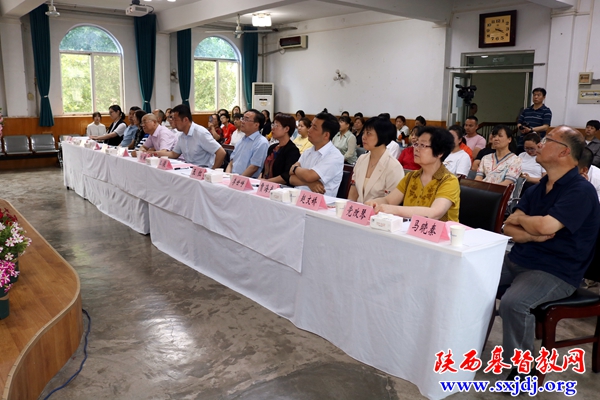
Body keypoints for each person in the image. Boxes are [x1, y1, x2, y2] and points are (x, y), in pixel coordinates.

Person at [499, 126, 600, 377]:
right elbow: (508, 227)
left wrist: (528, 224)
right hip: (521, 257)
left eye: (547, 140)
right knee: (470, 278)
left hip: (556, 271)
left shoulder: (581, 190)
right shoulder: (539, 187)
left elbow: (546, 225)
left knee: (514, 303)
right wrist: (534, 233)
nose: (539, 144)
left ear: (564, 151)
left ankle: (522, 372)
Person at [365, 126, 459, 222]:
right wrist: (375, 203)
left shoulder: (449, 180)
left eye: (422, 145)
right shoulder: (411, 177)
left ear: (440, 153)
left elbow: (434, 213)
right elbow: (389, 200)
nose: (416, 149)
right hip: (410, 232)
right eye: (416, 144)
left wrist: (394, 209)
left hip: (440, 235)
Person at [348, 117, 405, 204]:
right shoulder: (361, 159)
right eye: (363, 133)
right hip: (358, 212)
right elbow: (353, 192)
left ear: (382, 136)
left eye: (369, 133)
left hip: (379, 215)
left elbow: (391, 202)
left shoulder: (394, 167)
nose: (364, 137)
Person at [288, 112, 344, 196]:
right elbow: (291, 178)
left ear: (326, 135)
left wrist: (295, 168)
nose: (309, 130)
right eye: (310, 126)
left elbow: (309, 176)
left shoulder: (335, 156)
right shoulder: (308, 152)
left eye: (314, 128)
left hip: (320, 205)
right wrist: (309, 184)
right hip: (298, 199)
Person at [154, 104, 225, 169]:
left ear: (185, 120)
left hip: (203, 170)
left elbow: (221, 152)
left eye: (175, 120)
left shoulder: (200, 133)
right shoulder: (182, 135)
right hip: (189, 170)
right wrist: (155, 153)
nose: (173, 123)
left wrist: (212, 171)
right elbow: (174, 154)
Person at [227, 109, 269, 178]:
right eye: (242, 118)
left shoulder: (261, 142)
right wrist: (227, 176)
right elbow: (231, 162)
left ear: (256, 125)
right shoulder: (241, 141)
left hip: (246, 182)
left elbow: (254, 167)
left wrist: (237, 180)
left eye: (246, 119)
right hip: (232, 179)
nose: (242, 122)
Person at [261, 114, 301, 185]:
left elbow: (286, 175)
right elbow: (264, 169)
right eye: (273, 125)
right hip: (264, 184)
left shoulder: (292, 150)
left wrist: (266, 182)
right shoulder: (272, 147)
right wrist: (259, 180)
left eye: (276, 126)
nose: (272, 128)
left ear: (286, 129)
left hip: (280, 188)